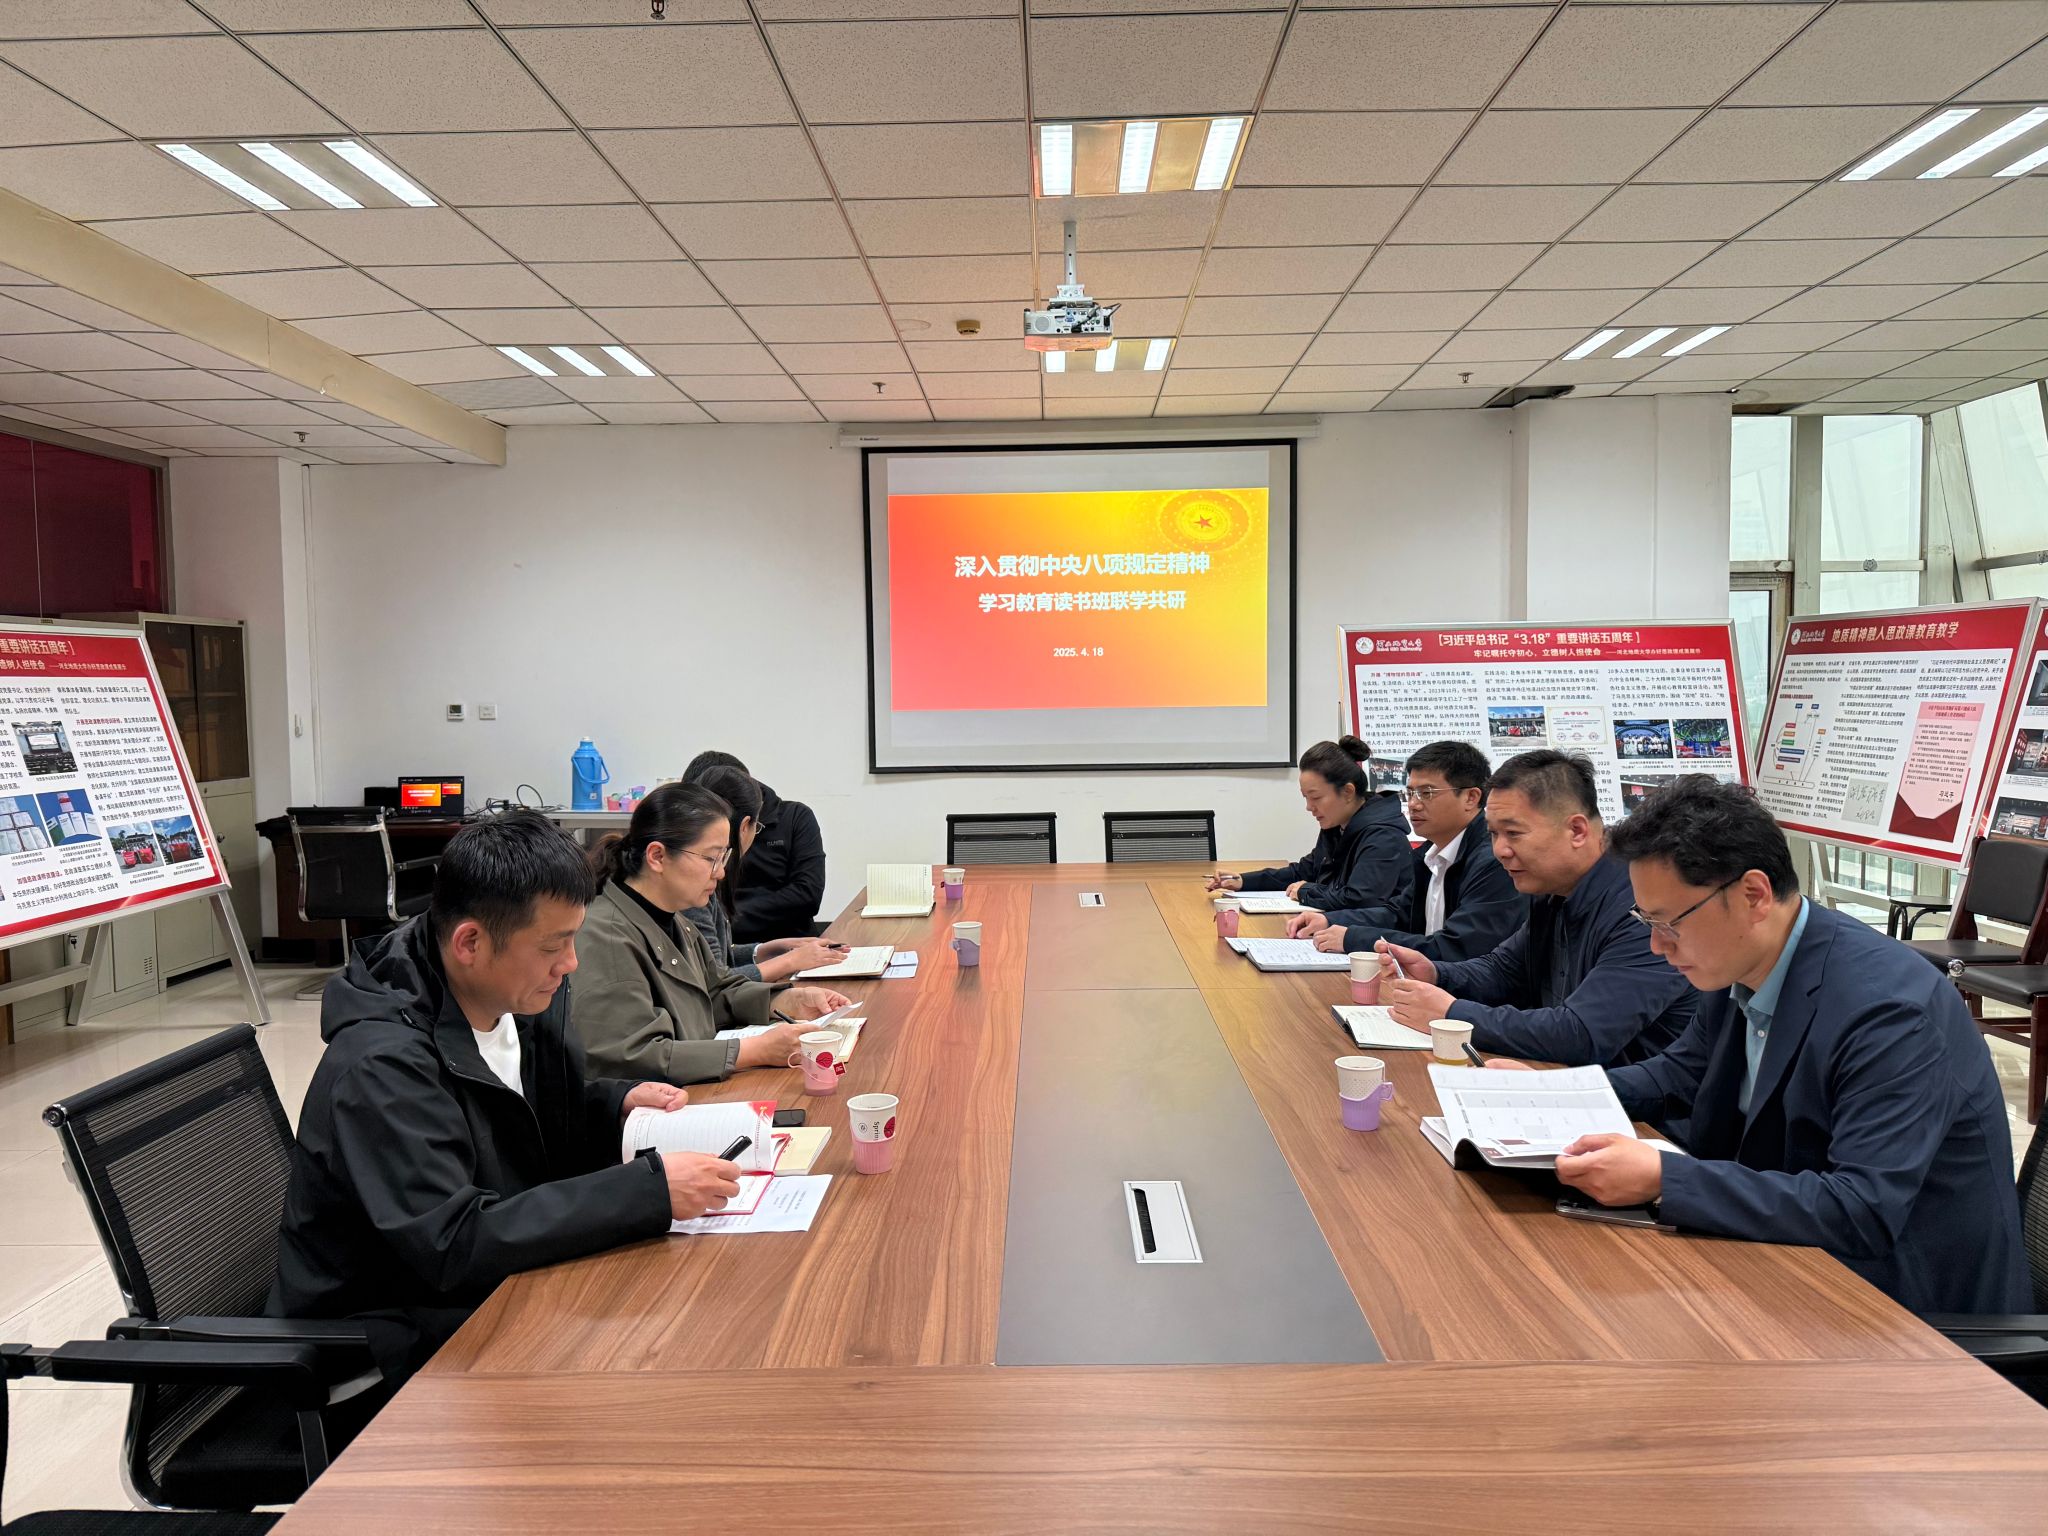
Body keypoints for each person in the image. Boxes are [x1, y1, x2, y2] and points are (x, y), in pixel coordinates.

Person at [1514, 776, 2030, 1317]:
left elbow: (1861, 1209)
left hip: (1906, 1308)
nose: (1656, 945)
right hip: (1790, 1263)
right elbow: (1676, 1076)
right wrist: (1549, 1092)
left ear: (1753, 895)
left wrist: (1665, 1177)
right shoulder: (1739, 962)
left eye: (1669, 923)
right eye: (1646, 921)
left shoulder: (1887, 1012)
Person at [269, 811, 746, 1385]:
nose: (570, 963)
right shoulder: (382, 1066)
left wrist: (610, 1104)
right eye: (554, 945)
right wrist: (648, 1192)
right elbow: (453, 1244)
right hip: (390, 1348)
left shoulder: (510, 998)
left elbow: (513, 1118)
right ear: (470, 942)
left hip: (494, 1294)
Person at [1376, 750, 1694, 1066]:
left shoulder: (1643, 905)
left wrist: (1451, 1013)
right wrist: (1436, 973)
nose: (1500, 850)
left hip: (1627, 1096)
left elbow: (1582, 1034)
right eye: (1493, 834)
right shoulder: (1553, 889)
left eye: (1513, 833)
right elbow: (1502, 970)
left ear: (1577, 831)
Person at [571, 783, 851, 1085]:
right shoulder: (607, 935)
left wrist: (785, 1001)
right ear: (657, 856)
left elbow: (713, 992)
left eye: (724, 858)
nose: (720, 873)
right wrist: (755, 1051)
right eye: (711, 858)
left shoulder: (672, 919)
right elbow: (631, 1056)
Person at [1287, 740, 1525, 962]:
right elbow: (1397, 913)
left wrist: (1355, 939)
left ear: (1471, 797)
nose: (1413, 804)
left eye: (1427, 793)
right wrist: (1329, 920)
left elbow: (1455, 948)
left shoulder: (1493, 861)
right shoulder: (1430, 854)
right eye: (1410, 793)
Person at [1204, 735, 1413, 921]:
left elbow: (1361, 899)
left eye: (1316, 797)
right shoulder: (1336, 826)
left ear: (1348, 792)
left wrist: (1306, 891)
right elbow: (1305, 871)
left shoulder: (1383, 836)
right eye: (1306, 798)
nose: (1309, 807)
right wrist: (1243, 881)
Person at [683, 765, 848, 984]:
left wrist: (766, 950)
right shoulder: (694, 883)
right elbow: (716, 982)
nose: (721, 872)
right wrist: (789, 961)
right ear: (745, 825)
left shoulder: (795, 816)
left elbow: (717, 958)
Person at [685, 749, 827, 945]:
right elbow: (716, 959)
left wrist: (727, 918)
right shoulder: (694, 846)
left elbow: (807, 894)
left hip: (790, 941)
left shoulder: (794, 816)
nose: (719, 872)